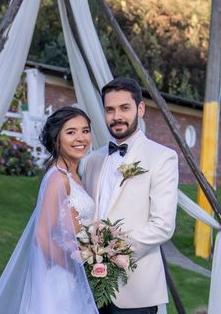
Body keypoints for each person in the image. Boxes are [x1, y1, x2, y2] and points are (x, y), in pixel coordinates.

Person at [0, 106, 99, 314]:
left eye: (85, 130)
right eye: (71, 132)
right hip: (61, 279)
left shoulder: (72, 174)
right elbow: (42, 235)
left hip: (71, 276)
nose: (81, 138)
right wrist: (76, 266)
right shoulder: (58, 178)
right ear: (57, 139)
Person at [82, 77, 178, 314]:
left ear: (141, 109)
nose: (117, 117)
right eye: (110, 110)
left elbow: (162, 226)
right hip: (90, 287)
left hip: (136, 291)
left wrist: (109, 253)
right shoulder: (93, 159)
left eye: (125, 108)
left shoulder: (162, 157)